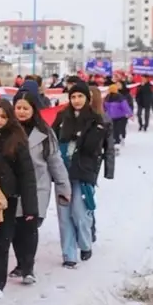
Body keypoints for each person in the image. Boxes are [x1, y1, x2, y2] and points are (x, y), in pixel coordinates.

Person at [51, 82, 114, 268]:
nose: (76, 100)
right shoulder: (62, 117)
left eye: (80, 96)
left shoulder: (97, 120)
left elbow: (97, 148)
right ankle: (69, 255)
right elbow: (52, 140)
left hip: (84, 172)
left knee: (79, 211)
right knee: (64, 216)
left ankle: (85, 243)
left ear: (87, 98)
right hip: (63, 173)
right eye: (73, 97)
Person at [11, 92, 71, 284]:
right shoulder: (7, 130)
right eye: (18, 108)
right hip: (12, 187)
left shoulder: (44, 133)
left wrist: (63, 186)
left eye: (25, 108)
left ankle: (28, 268)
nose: (21, 112)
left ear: (34, 110)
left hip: (38, 187)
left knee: (29, 228)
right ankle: (20, 263)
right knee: (14, 229)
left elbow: (55, 161)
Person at [0, 100, 39, 297]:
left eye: (3, 116)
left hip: (8, 197)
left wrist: (31, 207)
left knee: (2, 241)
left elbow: (27, 175)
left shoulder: (17, 139)